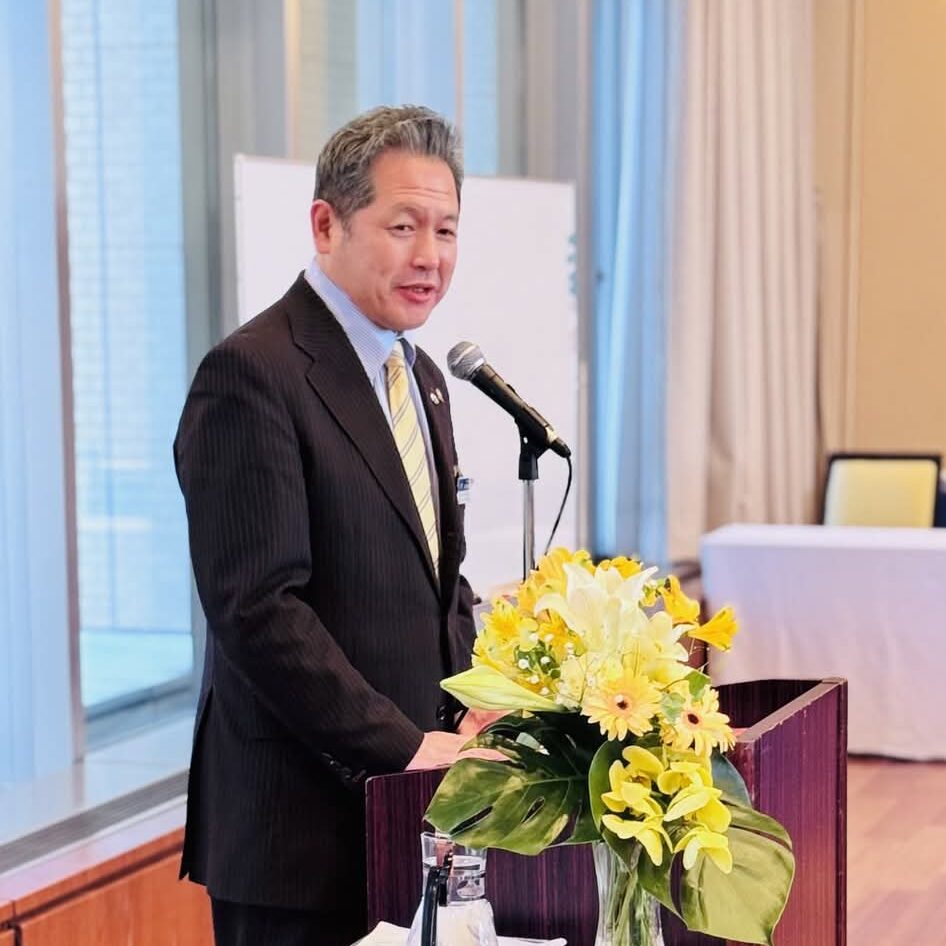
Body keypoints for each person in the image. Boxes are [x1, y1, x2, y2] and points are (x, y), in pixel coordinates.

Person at [175, 105, 492, 946]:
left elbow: (434, 578)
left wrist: (484, 699)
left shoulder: (421, 375)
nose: (430, 256)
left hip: (409, 817)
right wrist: (401, 748)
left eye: (447, 231)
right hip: (300, 838)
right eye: (403, 226)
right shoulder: (252, 374)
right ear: (327, 224)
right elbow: (257, 610)